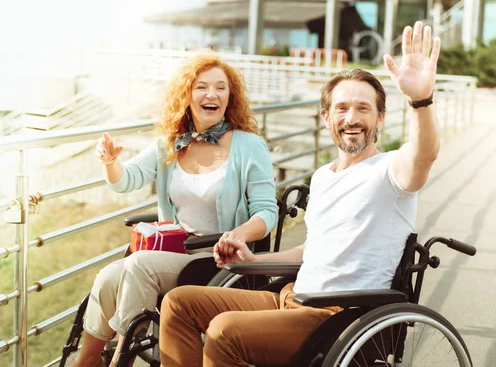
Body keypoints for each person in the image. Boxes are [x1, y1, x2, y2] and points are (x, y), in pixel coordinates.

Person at [158, 21, 441, 367]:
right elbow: (312, 250)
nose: (351, 118)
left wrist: (420, 99)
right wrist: (252, 261)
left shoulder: (390, 171)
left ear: (380, 118)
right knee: (178, 303)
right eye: (341, 108)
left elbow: (424, 154)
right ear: (325, 117)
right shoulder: (323, 177)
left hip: (335, 316)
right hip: (291, 298)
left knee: (224, 332)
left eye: (363, 108)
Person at [71, 54, 278, 367]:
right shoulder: (170, 144)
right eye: (202, 87)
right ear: (187, 95)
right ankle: (86, 361)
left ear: (229, 97)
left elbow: (267, 212)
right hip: (177, 250)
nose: (212, 94)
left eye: (220, 88)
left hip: (219, 258)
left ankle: (120, 360)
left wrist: (237, 235)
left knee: (138, 265)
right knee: (108, 276)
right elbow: (125, 181)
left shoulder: (249, 146)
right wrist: (111, 162)